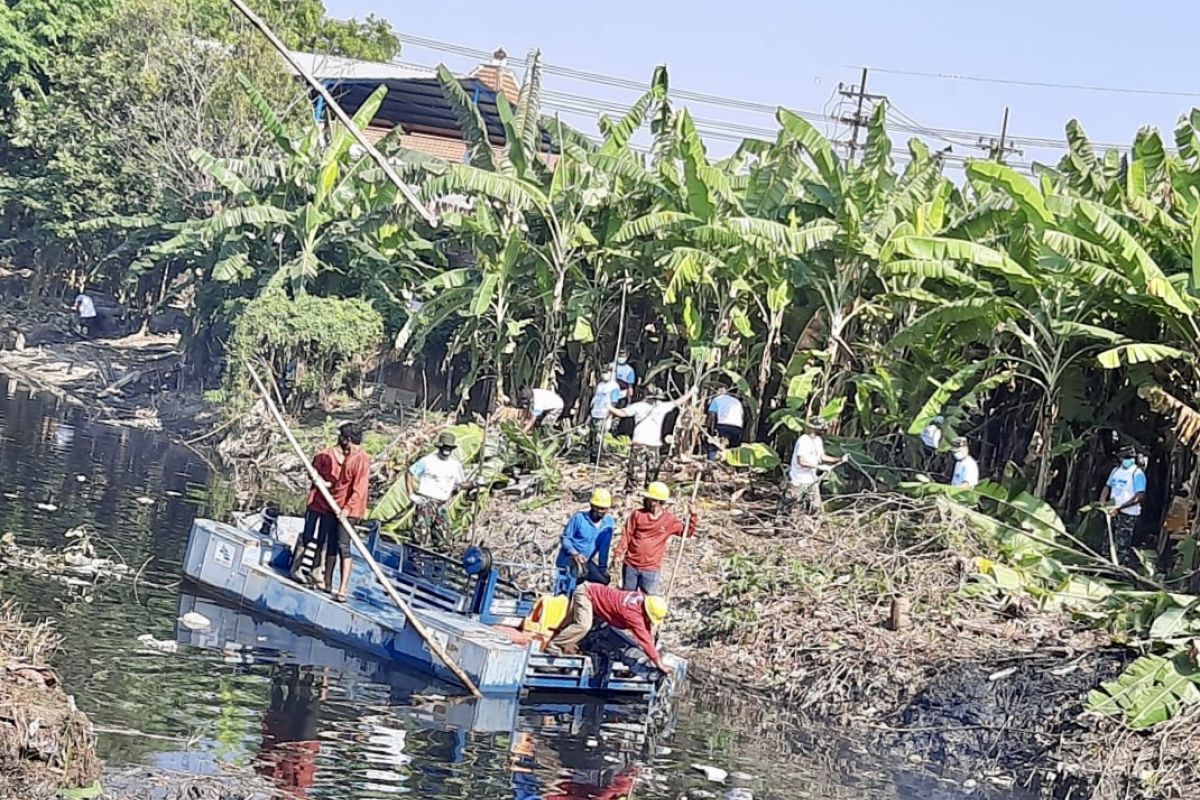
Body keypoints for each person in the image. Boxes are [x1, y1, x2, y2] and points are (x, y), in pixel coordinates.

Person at [293, 422, 370, 601]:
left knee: (344, 546)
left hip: (347, 510)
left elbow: (359, 488)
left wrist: (347, 508)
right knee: (330, 543)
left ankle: (342, 589)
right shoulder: (344, 456)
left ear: (348, 440)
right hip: (333, 506)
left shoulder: (361, 459)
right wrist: (324, 484)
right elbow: (340, 484)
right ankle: (325, 581)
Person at [544, 583, 672, 674]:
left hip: (596, 597)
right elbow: (643, 637)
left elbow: (646, 631)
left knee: (600, 630)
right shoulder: (632, 613)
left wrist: (652, 654)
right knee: (584, 625)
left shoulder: (640, 600)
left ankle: (574, 642)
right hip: (586, 594)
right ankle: (555, 644)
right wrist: (658, 663)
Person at [612, 481, 698, 594]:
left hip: (651, 568)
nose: (648, 502)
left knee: (647, 600)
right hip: (631, 565)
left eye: (651, 500)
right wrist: (618, 554)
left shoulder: (669, 520)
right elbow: (627, 535)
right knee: (626, 597)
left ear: (658, 502)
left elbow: (686, 532)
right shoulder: (637, 515)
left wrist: (693, 516)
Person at [608, 386, 694, 492]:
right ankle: (649, 490)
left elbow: (622, 413)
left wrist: (609, 408)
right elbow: (678, 401)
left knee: (636, 468)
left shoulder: (639, 406)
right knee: (651, 469)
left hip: (641, 443)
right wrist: (691, 392)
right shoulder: (662, 406)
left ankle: (633, 490)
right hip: (651, 444)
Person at [405, 431, 468, 547]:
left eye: (449, 447)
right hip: (426, 502)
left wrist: (475, 484)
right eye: (444, 447)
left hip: (442, 504)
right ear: (440, 447)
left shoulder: (455, 465)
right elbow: (410, 472)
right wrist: (411, 494)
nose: (446, 450)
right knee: (421, 536)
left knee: (445, 539)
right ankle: (417, 559)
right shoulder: (428, 461)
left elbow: (462, 483)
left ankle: (441, 559)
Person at [553, 488, 616, 595]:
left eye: (603, 509)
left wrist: (602, 568)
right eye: (598, 508)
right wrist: (575, 553)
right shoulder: (579, 519)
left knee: (603, 580)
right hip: (569, 561)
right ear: (592, 506)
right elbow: (565, 539)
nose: (600, 512)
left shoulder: (608, 523)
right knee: (565, 592)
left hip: (585, 563)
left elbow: (604, 548)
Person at [784, 418, 846, 518]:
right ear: (814, 429)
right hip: (798, 481)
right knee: (793, 507)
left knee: (816, 507)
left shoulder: (818, 441)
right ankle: (785, 528)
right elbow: (801, 462)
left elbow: (822, 457)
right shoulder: (803, 441)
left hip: (812, 481)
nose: (823, 431)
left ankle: (811, 528)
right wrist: (819, 467)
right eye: (821, 429)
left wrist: (839, 459)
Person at [1101, 445, 1147, 567]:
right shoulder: (1116, 471)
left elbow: (1140, 496)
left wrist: (1120, 508)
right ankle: (1105, 565)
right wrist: (1102, 502)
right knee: (1107, 541)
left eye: (1129, 458)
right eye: (1124, 458)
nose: (1125, 460)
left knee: (1122, 545)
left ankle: (1120, 569)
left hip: (1128, 514)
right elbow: (1107, 486)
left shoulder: (1137, 474)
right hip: (1111, 511)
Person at [588, 370, 623, 460]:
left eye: (606, 372)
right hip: (595, 413)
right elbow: (595, 399)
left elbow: (614, 402)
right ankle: (592, 456)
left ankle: (598, 457)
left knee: (599, 438)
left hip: (604, 414)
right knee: (592, 437)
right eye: (603, 372)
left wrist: (609, 415)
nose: (604, 375)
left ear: (611, 373)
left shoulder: (614, 386)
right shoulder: (600, 385)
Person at [706, 386, 745, 460]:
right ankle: (733, 467)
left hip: (723, 425)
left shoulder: (716, 400)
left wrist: (710, 431)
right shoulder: (736, 401)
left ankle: (712, 463)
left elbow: (712, 416)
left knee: (714, 446)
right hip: (737, 427)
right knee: (734, 449)